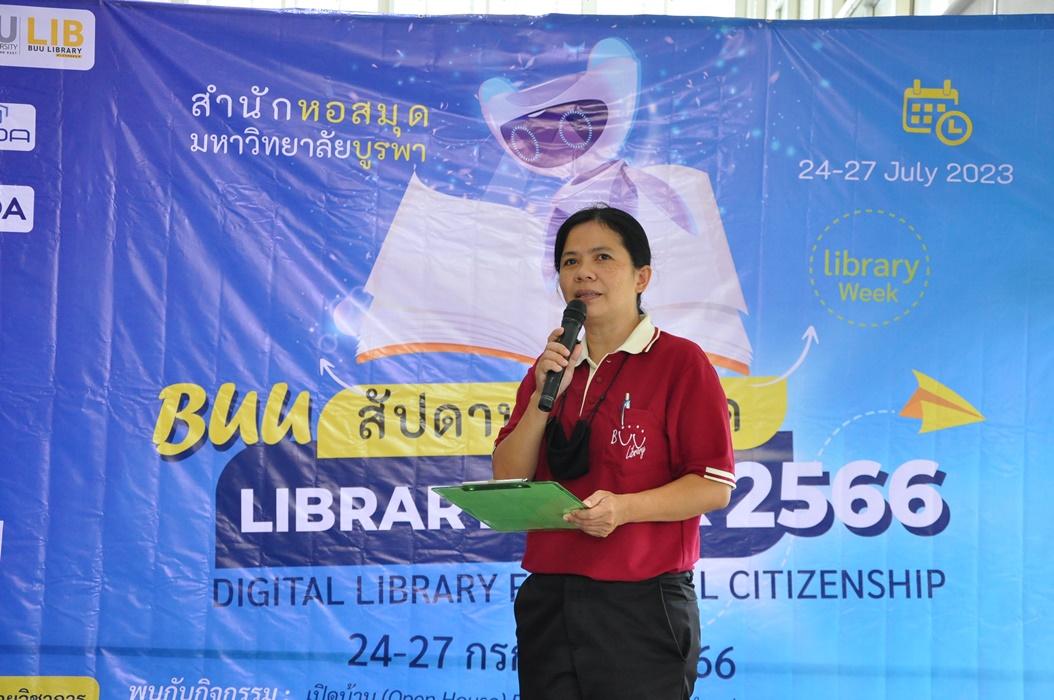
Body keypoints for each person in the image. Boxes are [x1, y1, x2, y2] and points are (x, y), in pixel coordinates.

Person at [492, 204, 736, 700]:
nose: (584, 272)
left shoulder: (680, 362)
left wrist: (624, 509)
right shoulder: (550, 367)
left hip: (642, 601)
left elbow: (712, 487)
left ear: (642, 276)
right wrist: (543, 399)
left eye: (603, 257)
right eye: (570, 261)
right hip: (550, 597)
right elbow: (507, 476)